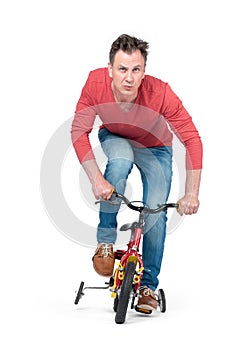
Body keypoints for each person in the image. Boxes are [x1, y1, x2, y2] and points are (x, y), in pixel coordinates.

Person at [71, 34, 202, 313]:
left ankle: (147, 286)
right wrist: (96, 179)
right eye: (122, 69)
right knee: (119, 163)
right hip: (116, 136)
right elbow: (78, 131)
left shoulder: (161, 93)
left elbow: (191, 139)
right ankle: (105, 243)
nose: (128, 78)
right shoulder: (95, 84)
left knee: (156, 210)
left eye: (136, 70)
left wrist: (191, 193)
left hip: (155, 148)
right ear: (109, 69)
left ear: (144, 72)